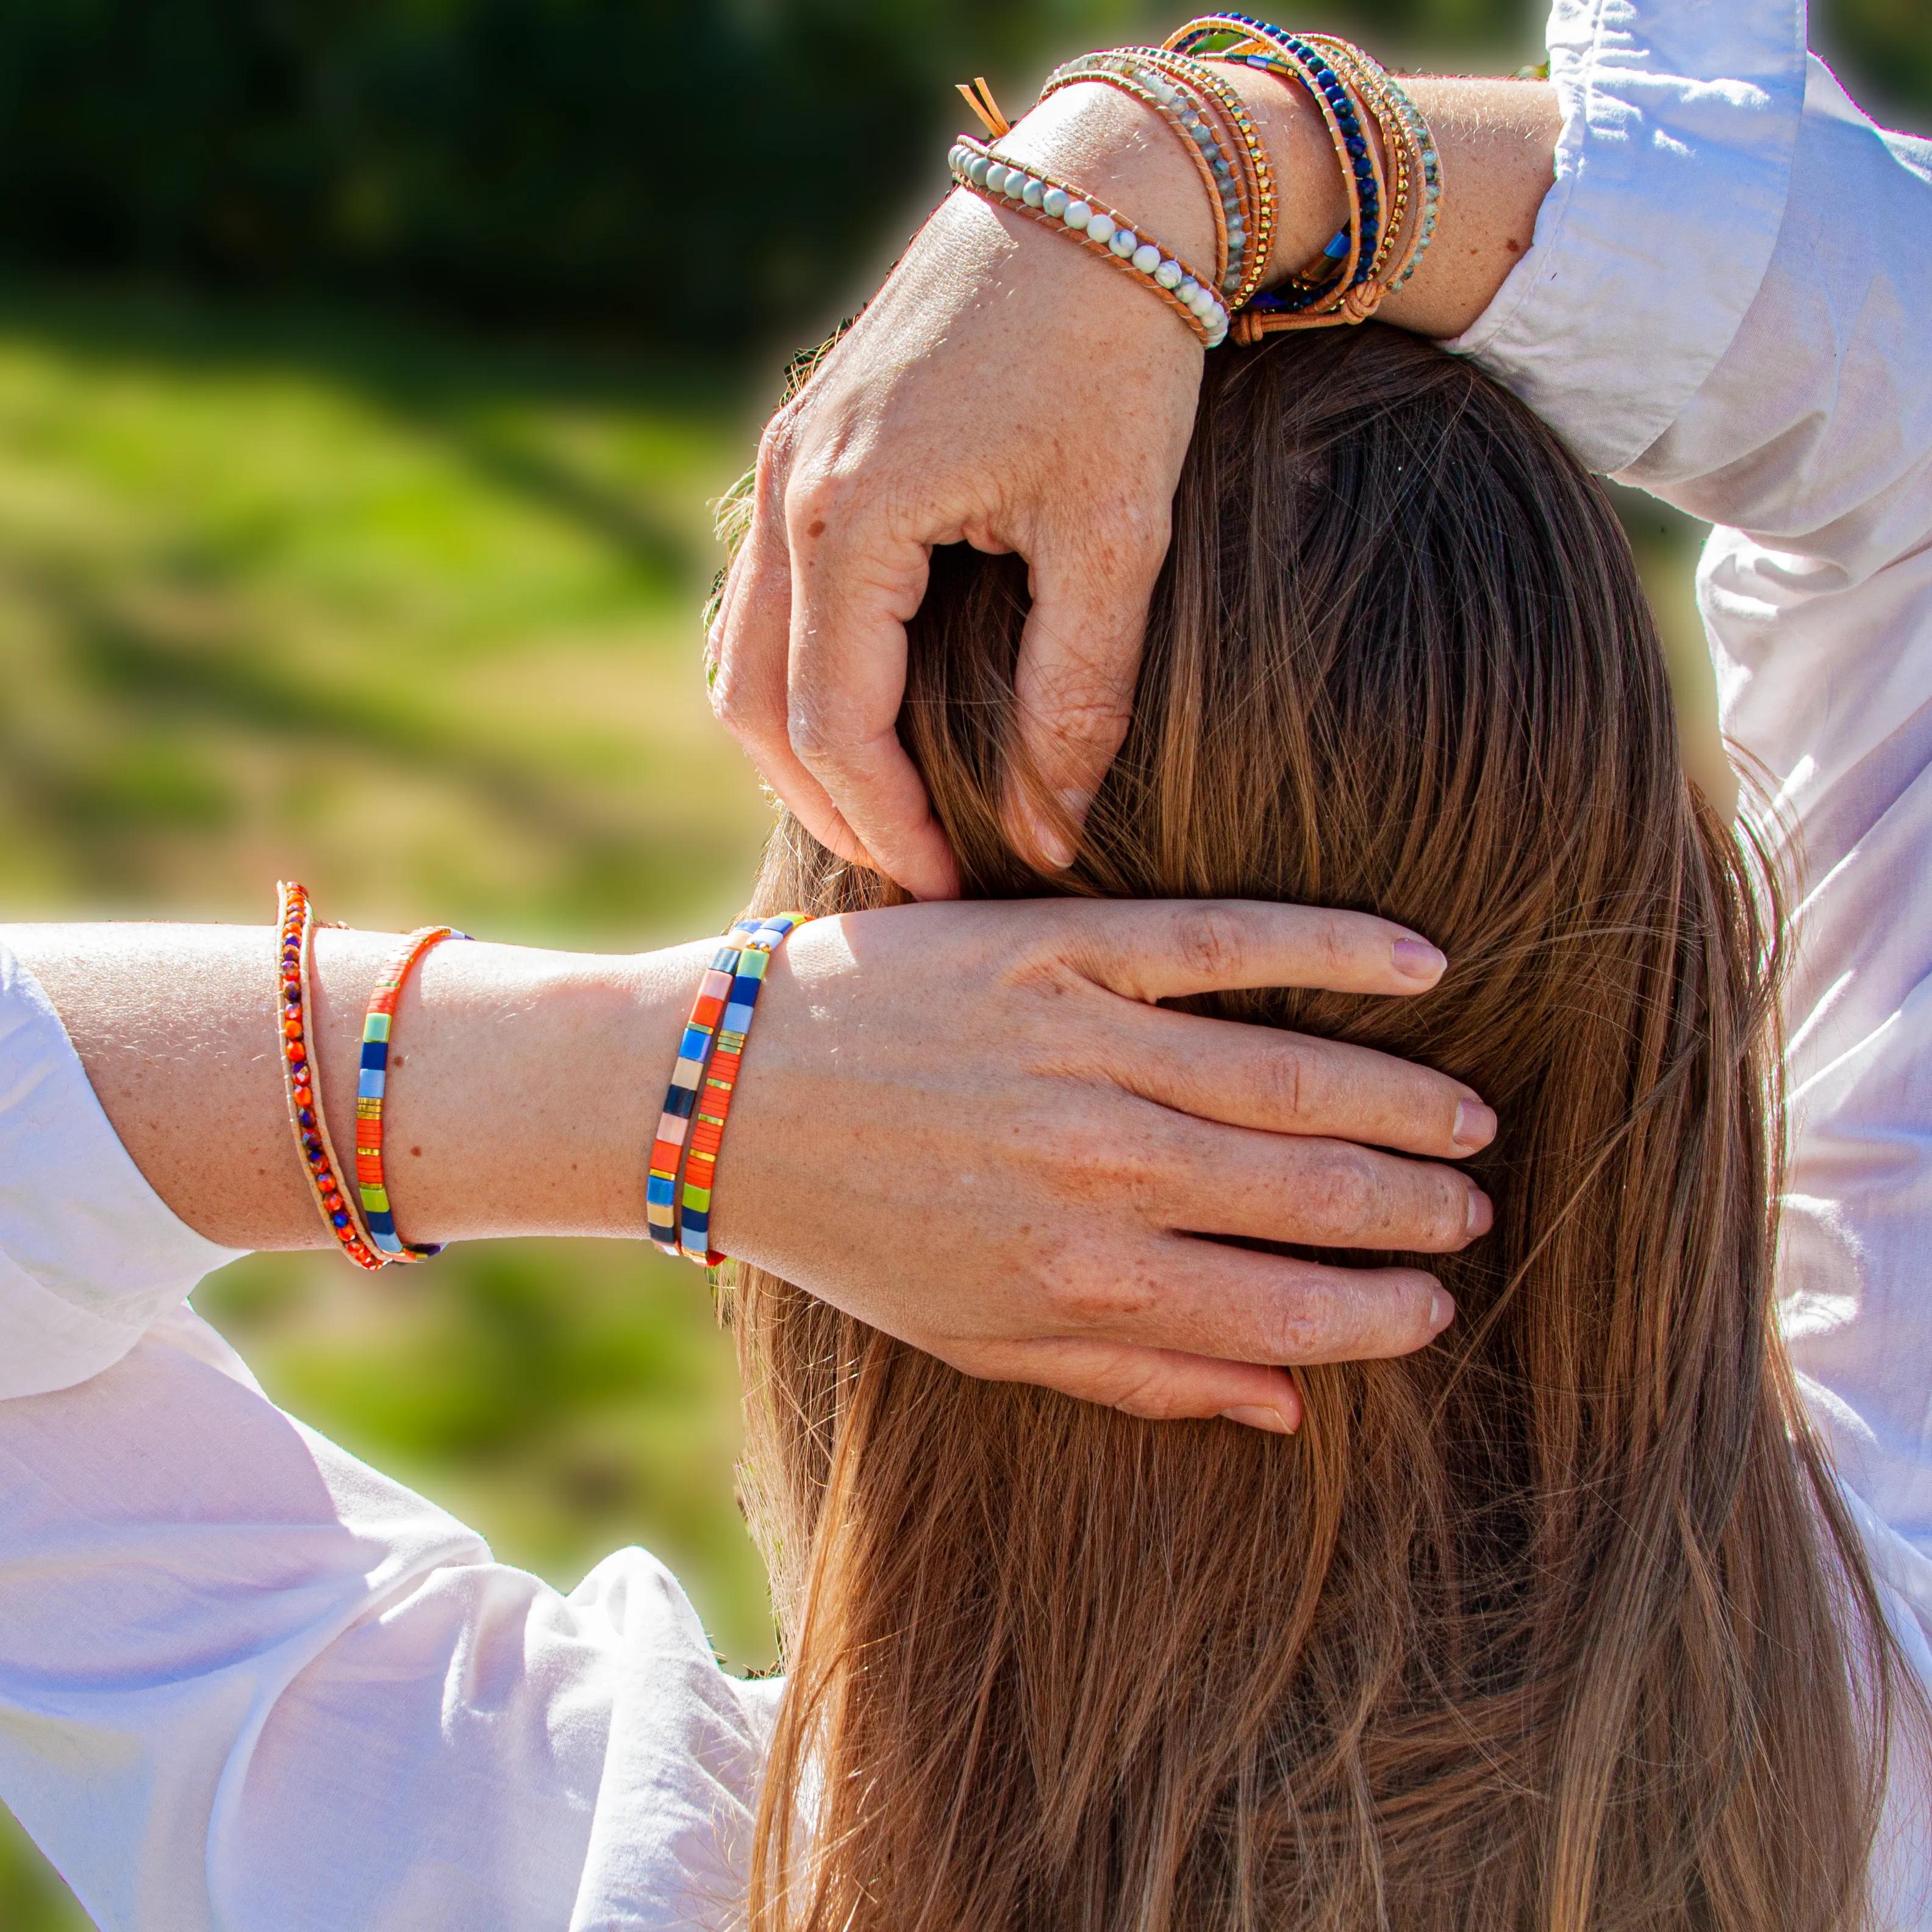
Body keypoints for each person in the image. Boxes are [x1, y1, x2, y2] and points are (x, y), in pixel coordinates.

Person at [0, 0, 1927, 1924]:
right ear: (1657, 930)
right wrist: (1180, 166)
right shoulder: (1886, 1719)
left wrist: (689, 1090)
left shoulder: (535, 1851)